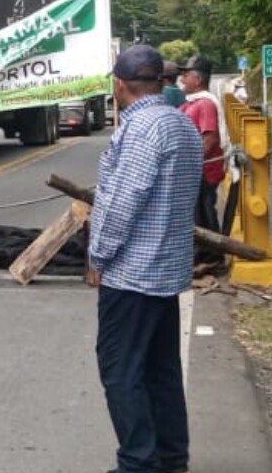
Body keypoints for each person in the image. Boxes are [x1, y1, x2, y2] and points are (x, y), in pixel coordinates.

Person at [87, 44, 202, 473]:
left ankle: (138, 462)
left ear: (119, 85)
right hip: (167, 270)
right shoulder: (180, 124)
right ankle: (172, 456)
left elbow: (123, 201)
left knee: (120, 371)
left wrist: (98, 255)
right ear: (159, 81)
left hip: (132, 273)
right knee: (161, 369)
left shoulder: (139, 129)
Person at [179, 56, 228, 266]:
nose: (182, 79)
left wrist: (191, 163)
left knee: (204, 213)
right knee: (197, 212)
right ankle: (205, 252)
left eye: (187, 75)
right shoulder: (195, 102)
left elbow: (209, 139)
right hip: (197, 168)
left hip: (204, 170)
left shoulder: (205, 104)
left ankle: (211, 254)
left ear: (198, 79)